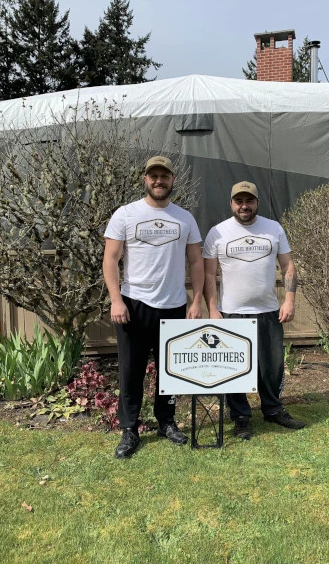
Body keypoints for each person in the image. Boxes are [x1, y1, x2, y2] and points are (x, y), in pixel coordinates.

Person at [103, 155, 204, 458]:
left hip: (174, 305)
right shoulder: (126, 214)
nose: (159, 181)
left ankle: (167, 422)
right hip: (134, 305)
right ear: (145, 180)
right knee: (131, 371)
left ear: (173, 180)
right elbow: (110, 258)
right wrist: (116, 299)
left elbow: (196, 261)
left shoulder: (185, 218)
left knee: (170, 371)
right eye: (153, 176)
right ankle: (130, 429)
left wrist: (196, 299)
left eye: (165, 176)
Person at [203, 181, 305, 440]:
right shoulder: (218, 232)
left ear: (257, 202)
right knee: (234, 368)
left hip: (268, 311)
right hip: (231, 313)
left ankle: (272, 409)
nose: (244, 206)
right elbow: (207, 274)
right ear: (231, 203)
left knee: (271, 367)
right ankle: (241, 418)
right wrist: (213, 309)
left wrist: (290, 299)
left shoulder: (274, 229)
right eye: (239, 201)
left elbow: (289, 267)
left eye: (249, 201)